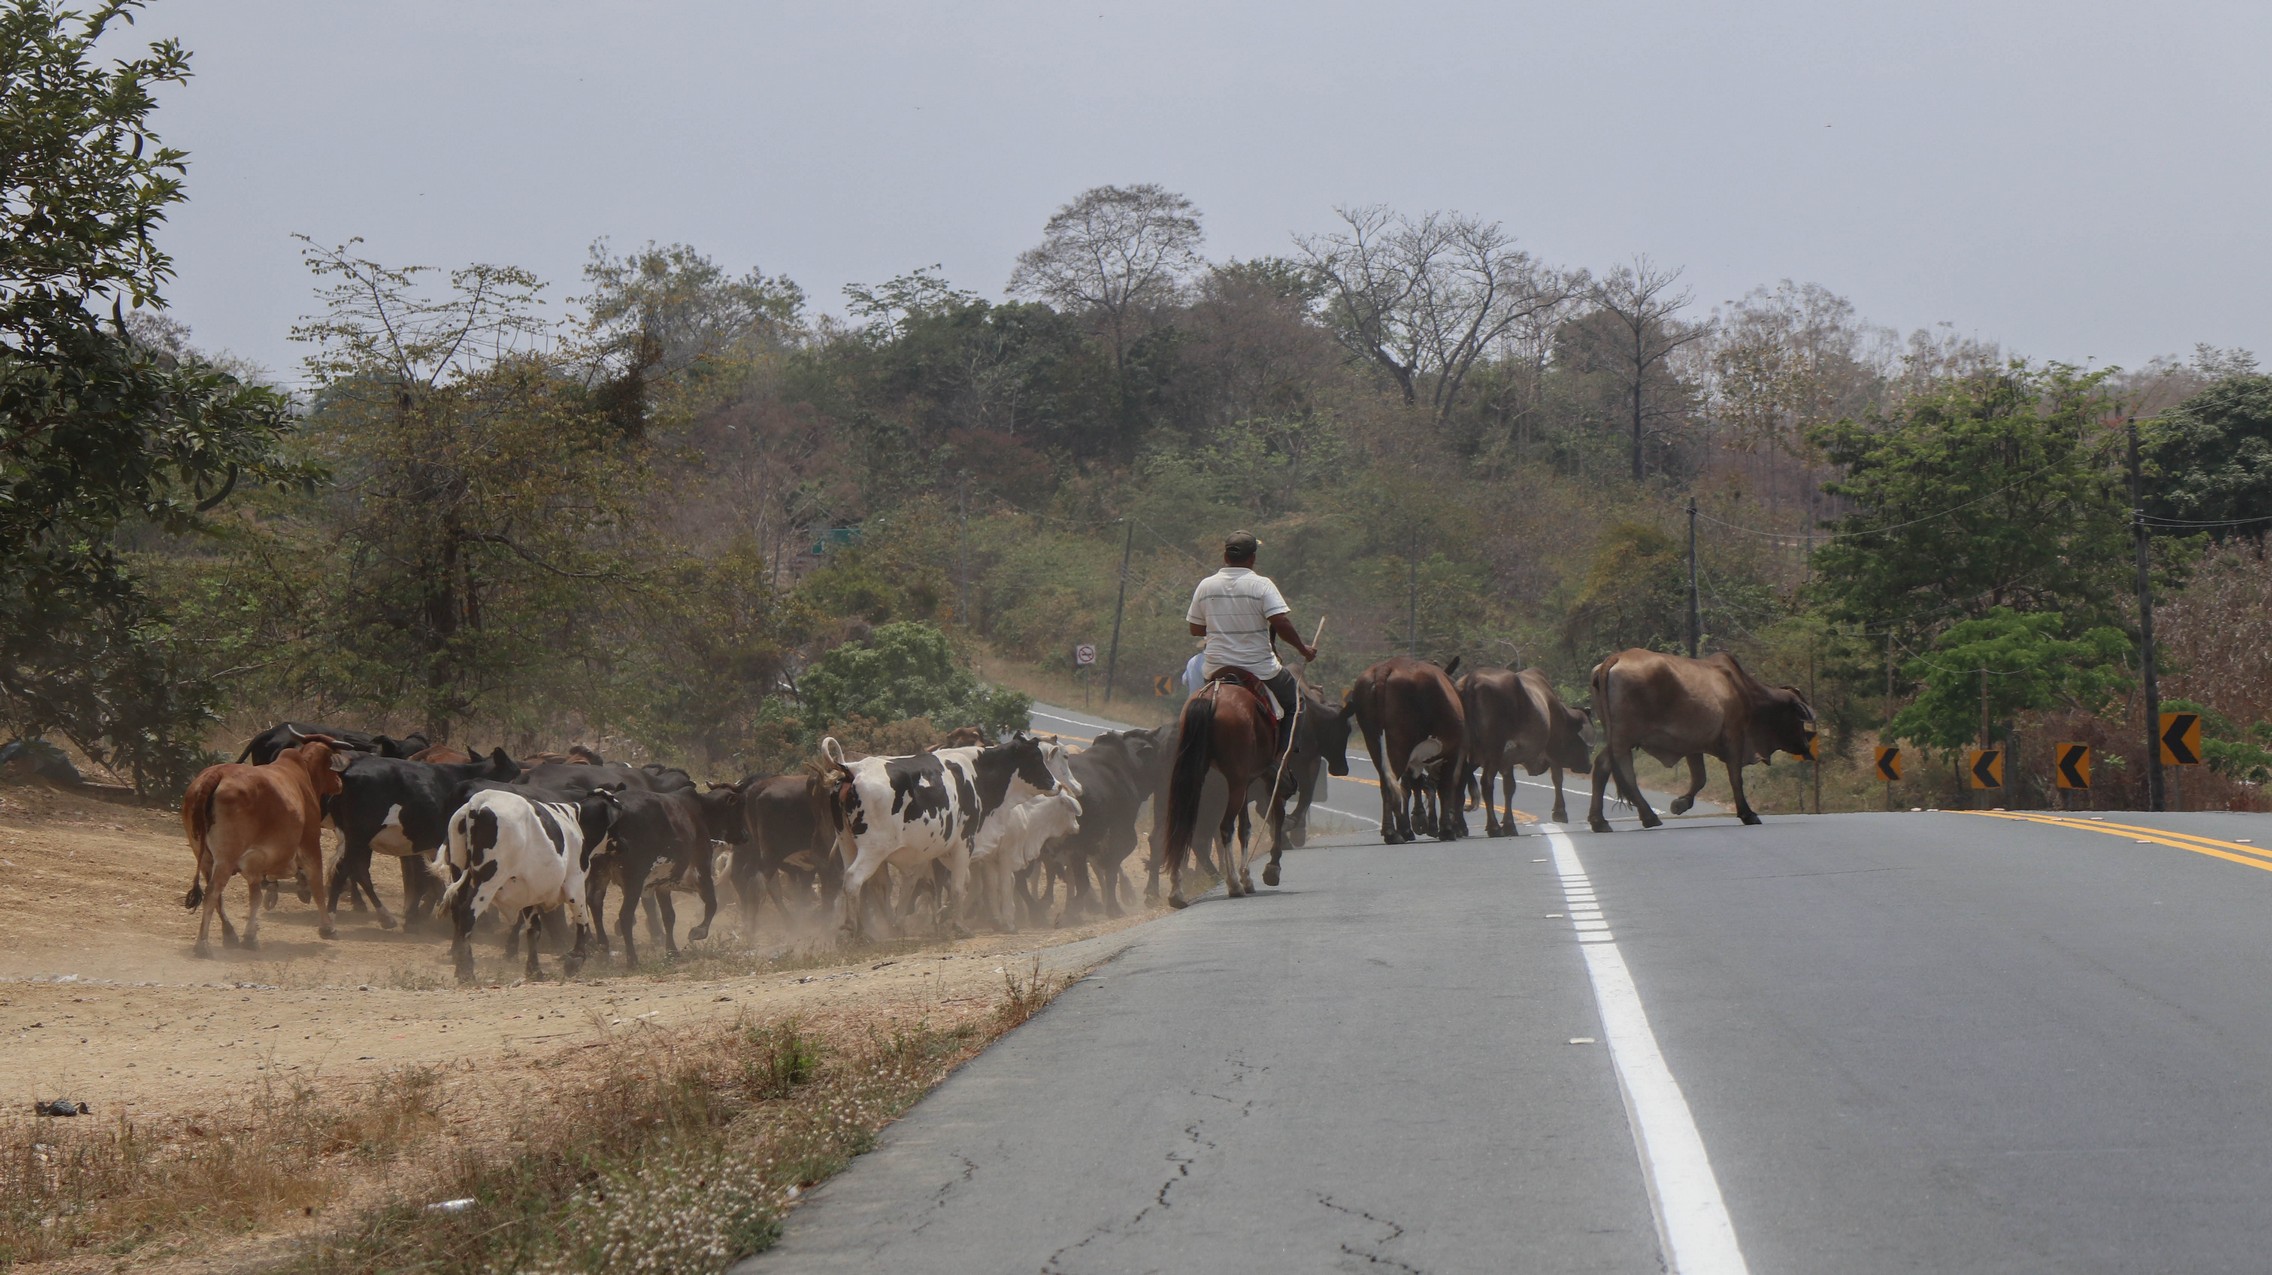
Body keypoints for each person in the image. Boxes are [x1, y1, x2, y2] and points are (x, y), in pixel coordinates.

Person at [1185, 530, 1318, 734]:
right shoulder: (1262, 585)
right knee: (1295, 703)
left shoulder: (1206, 585)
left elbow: (1195, 629)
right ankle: (1284, 753)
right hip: (1259, 668)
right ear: (1253, 558)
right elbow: (1281, 623)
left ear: (1225, 556)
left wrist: (1220, 625)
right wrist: (1303, 649)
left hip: (1215, 667)